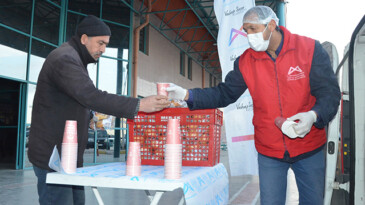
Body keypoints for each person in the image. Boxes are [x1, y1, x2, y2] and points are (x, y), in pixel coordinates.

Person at [167, 6, 341, 205]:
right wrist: (186, 95)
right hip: (270, 151)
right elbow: (224, 94)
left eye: (253, 28)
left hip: (309, 147)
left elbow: (329, 93)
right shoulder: (246, 61)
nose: (249, 35)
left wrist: (314, 116)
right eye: (245, 30)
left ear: (272, 25)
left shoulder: (309, 50)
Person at [28, 15, 170, 205]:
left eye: (106, 44)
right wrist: (139, 105)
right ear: (84, 38)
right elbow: (91, 96)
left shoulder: (75, 59)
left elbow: (80, 98)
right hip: (52, 159)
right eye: (100, 43)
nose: (103, 49)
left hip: (66, 158)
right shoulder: (64, 59)